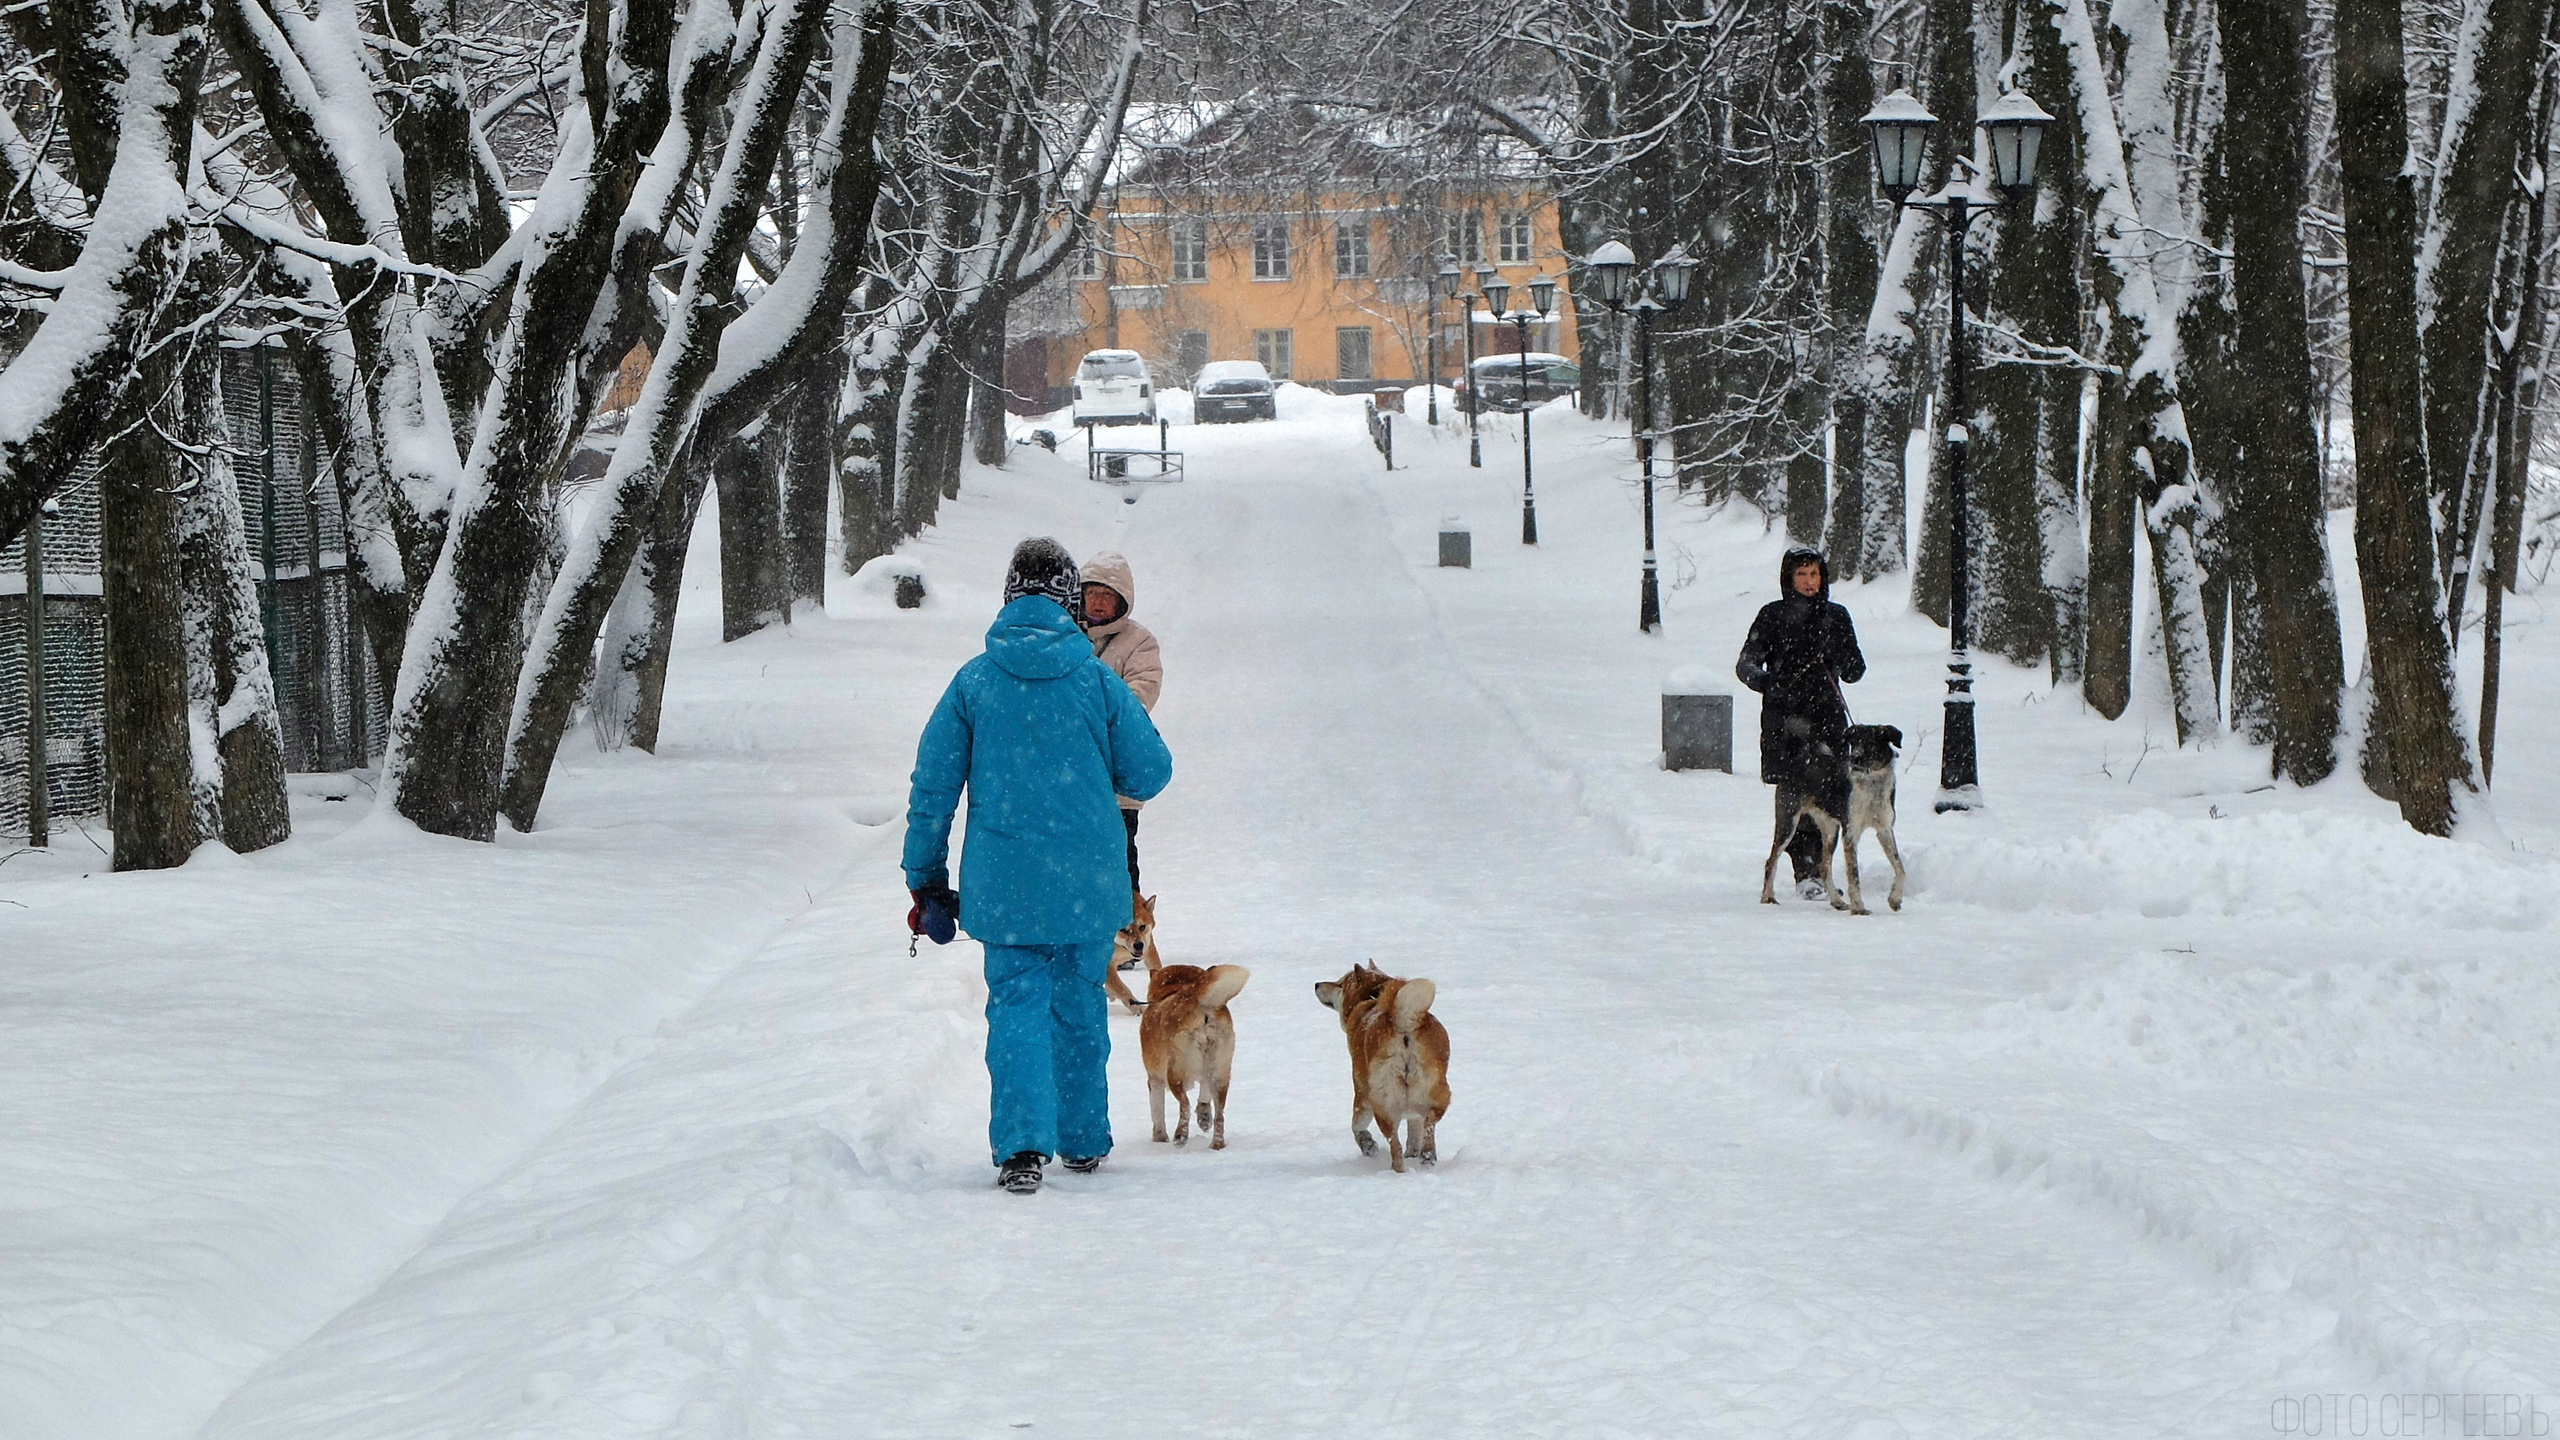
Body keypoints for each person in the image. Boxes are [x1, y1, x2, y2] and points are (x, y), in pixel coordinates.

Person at [904, 537, 1173, 1194]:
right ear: (1066, 602)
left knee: (1017, 1002)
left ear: (1008, 597)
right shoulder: (1097, 682)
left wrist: (926, 877)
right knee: (1079, 1000)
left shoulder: (973, 681)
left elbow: (933, 787)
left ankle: (1022, 1148)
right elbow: (1152, 769)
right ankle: (1082, 1140)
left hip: (1007, 883)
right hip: (1088, 879)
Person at [1735, 545, 1866, 899]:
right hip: (1788, 719)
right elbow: (1746, 664)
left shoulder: (1837, 616)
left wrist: (1839, 652)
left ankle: (1826, 867)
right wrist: (1768, 683)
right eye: (1801, 575)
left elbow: (1856, 670)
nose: (1809, 582)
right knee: (1796, 796)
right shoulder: (1772, 616)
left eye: (1814, 574)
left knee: (1834, 796)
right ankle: (1805, 871)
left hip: (1828, 717)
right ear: (1788, 579)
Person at [1079, 553, 1162, 917]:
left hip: (1116, 781)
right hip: (1072, 780)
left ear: (1121, 601)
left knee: (1120, 859)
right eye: (1092, 593)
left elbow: (1142, 692)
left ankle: (1130, 931)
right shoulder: (1063, 636)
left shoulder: (1139, 642)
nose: (1097, 602)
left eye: (1106, 595)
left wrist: (1091, 713)